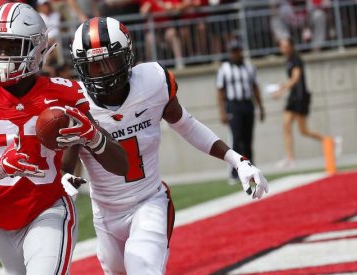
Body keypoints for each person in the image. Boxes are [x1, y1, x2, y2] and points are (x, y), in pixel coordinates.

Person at [63, 17, 269, 275]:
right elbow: (65, 163)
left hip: (148, 203)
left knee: (142, 269)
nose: (103, 72)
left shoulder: (152, 82)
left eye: (109, 61)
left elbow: (187, 125)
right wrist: (64, 181)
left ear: (126, 56)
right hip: (104, 213)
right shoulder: (73, 101)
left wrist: (237, 161)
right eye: (94, 66)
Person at [0, 4, 127, 275]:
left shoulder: (63, 94)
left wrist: (93, 136)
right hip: (0, 220)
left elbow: (122, 166)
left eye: (11, 46)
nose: (1, 55)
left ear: (37, 48)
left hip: (49, 208)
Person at [272, 38, 341, 167]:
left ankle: (332, 142)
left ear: (291, 47)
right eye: (282, 46)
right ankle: (290, 157)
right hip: (293, 97)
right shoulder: (289, 61)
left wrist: (281, 89)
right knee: (286, 125)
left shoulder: (296, 60)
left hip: (300, 97)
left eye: (286, 46)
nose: (284, 49)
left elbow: (295, 78)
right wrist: (283, 87)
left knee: (303, 130)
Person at [216, 40, 265, 184]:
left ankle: (250, 169)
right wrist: (222, 111)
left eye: (238, 50)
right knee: (236, 139)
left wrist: (260, 107)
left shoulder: (249, 67)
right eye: (233, 51)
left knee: (248, 139)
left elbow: (255, 87)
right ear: (230, 53)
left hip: (247, 104)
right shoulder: (224, 69)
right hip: (233, 105)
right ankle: (234, 172)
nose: (236, 54)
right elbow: (220, 91)